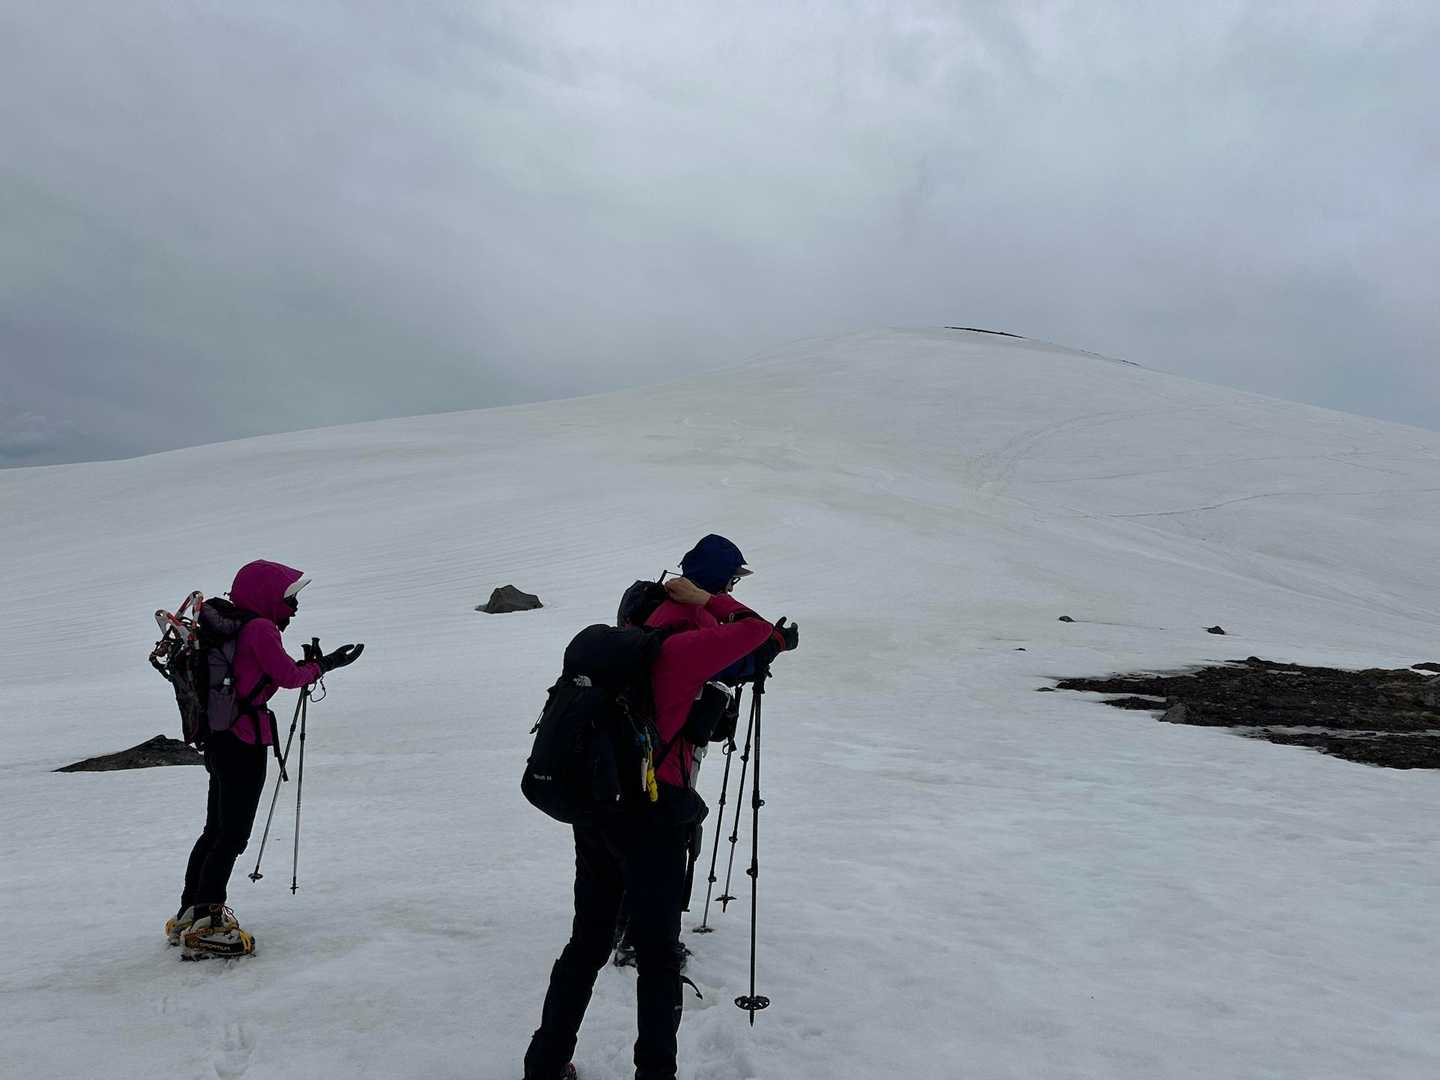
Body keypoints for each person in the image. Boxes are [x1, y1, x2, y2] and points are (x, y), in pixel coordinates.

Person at [523, 535, 798, 1080]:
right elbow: (757, 632)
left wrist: (700, 602)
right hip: (652, 813)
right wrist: (712, 601)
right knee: (657, 956)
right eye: (731, 581)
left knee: (587, 943)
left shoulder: (637, 625)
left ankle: (545, 1063)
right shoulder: (686, 645)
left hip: (597, 804)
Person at [165, 559, 363, 957]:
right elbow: (288, 677)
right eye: (289, 598)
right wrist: (325, 664)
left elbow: (262, 674)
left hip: (219, 739)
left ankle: (190, 911)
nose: (293, 607)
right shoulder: (259, 629)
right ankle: (208, 920)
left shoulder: (230, 624)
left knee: (215, 829)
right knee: (232, 834)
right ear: (266, 596)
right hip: (244, 740)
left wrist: (309, 665)